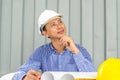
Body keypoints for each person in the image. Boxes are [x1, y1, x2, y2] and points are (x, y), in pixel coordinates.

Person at [13, 10, 96, 80]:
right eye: (53, 24)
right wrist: (24, 77)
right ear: (44, 33)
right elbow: (18, 74)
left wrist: (75, 51)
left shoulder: (79, 50)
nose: (59, 26)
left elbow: (93, 76)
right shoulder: (41, 53)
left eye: (60, 22)